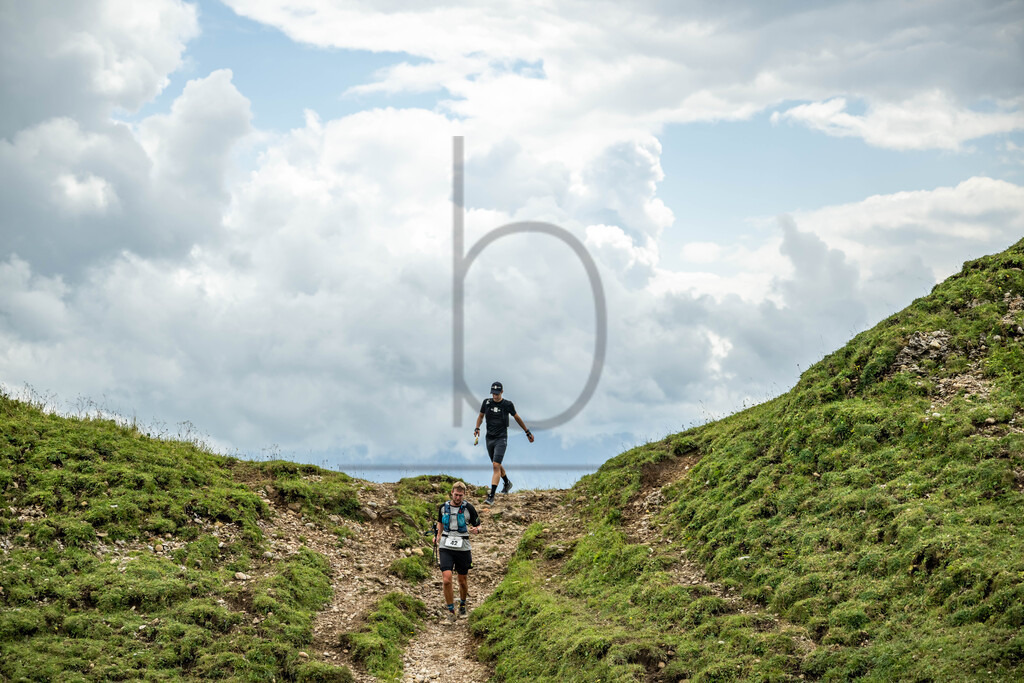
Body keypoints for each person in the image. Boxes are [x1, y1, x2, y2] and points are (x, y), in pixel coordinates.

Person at [473, 381, 534, 506]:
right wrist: (477, 428)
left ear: (502, 392)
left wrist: (527, 432)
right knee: (497, 464)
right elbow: (480, 416)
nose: (495, 396)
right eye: (493, 393)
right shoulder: (486, 403)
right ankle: (507, 483)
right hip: (489, 438)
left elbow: (517, 417)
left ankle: (491, 496)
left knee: (496, 465)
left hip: (501, 438)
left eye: (497, 393)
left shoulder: (507, 404)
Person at [434, 481, 481, 621]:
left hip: (463, 547)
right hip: (446, 546)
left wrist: (476, 530)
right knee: (447, 579)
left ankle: (462, 603)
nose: (458, 498)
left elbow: (478, 525)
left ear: (464, 495)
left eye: (460, 495)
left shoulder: (469, 508)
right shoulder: (443, 507)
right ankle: (450, 610)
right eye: (456, 495)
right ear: (451, 493)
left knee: (462, 580)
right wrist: (437, 535)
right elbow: (440, 522)